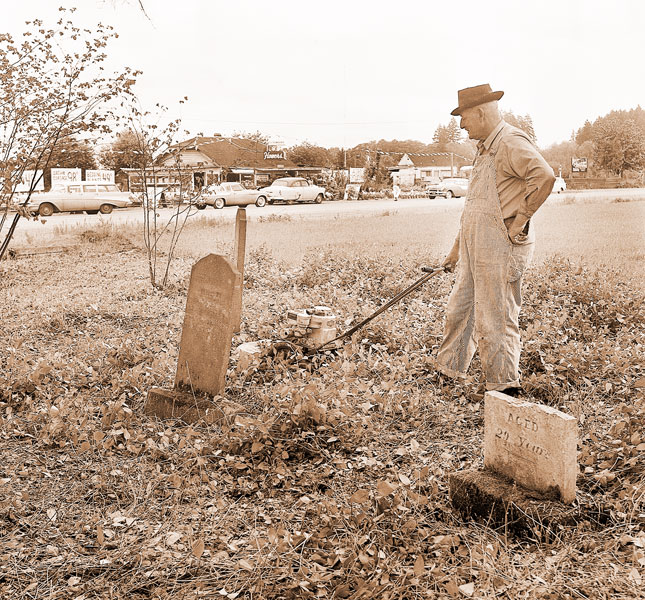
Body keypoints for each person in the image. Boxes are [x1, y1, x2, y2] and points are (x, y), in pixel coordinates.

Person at [433, 84, 555, 396]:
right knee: (460, 309)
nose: (462, 124)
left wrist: (521, 219)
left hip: (500, 247)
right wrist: (456, 250)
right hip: (477, 246)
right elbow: (473, 206)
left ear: (482, 112)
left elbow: (544, 176)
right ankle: (449, 373)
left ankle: (505, 388)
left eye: (464, 117)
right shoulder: (485, 147)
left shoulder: (511, 141)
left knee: (496, 317)